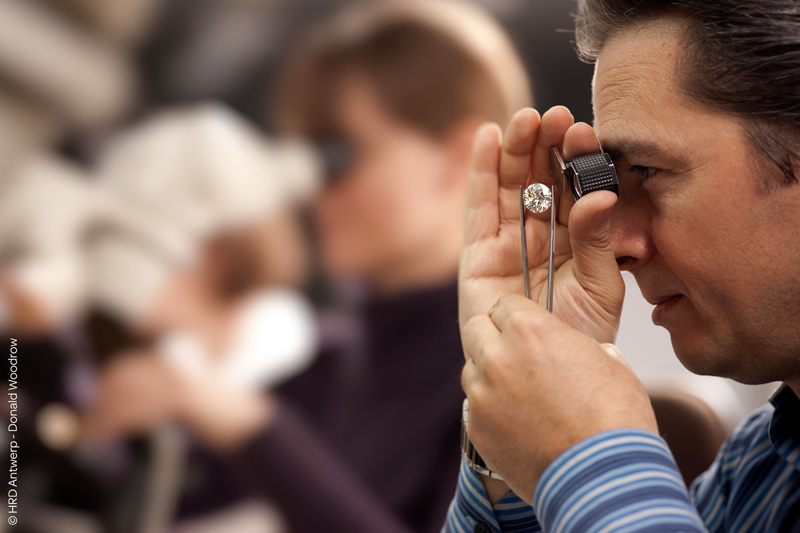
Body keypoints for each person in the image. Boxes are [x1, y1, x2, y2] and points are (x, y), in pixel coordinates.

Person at [82, 2, 532, 532]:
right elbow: (131, 488)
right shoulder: (336, 364)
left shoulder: (515, 375)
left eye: (337, 154)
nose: (314, 191)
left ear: (460, 156)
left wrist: (250, 425)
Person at [445, 1, 800, 532]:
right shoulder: (759, 472)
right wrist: (524, 421)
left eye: (648, 171)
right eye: (612, 181)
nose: (617, 246)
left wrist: (591, 462)